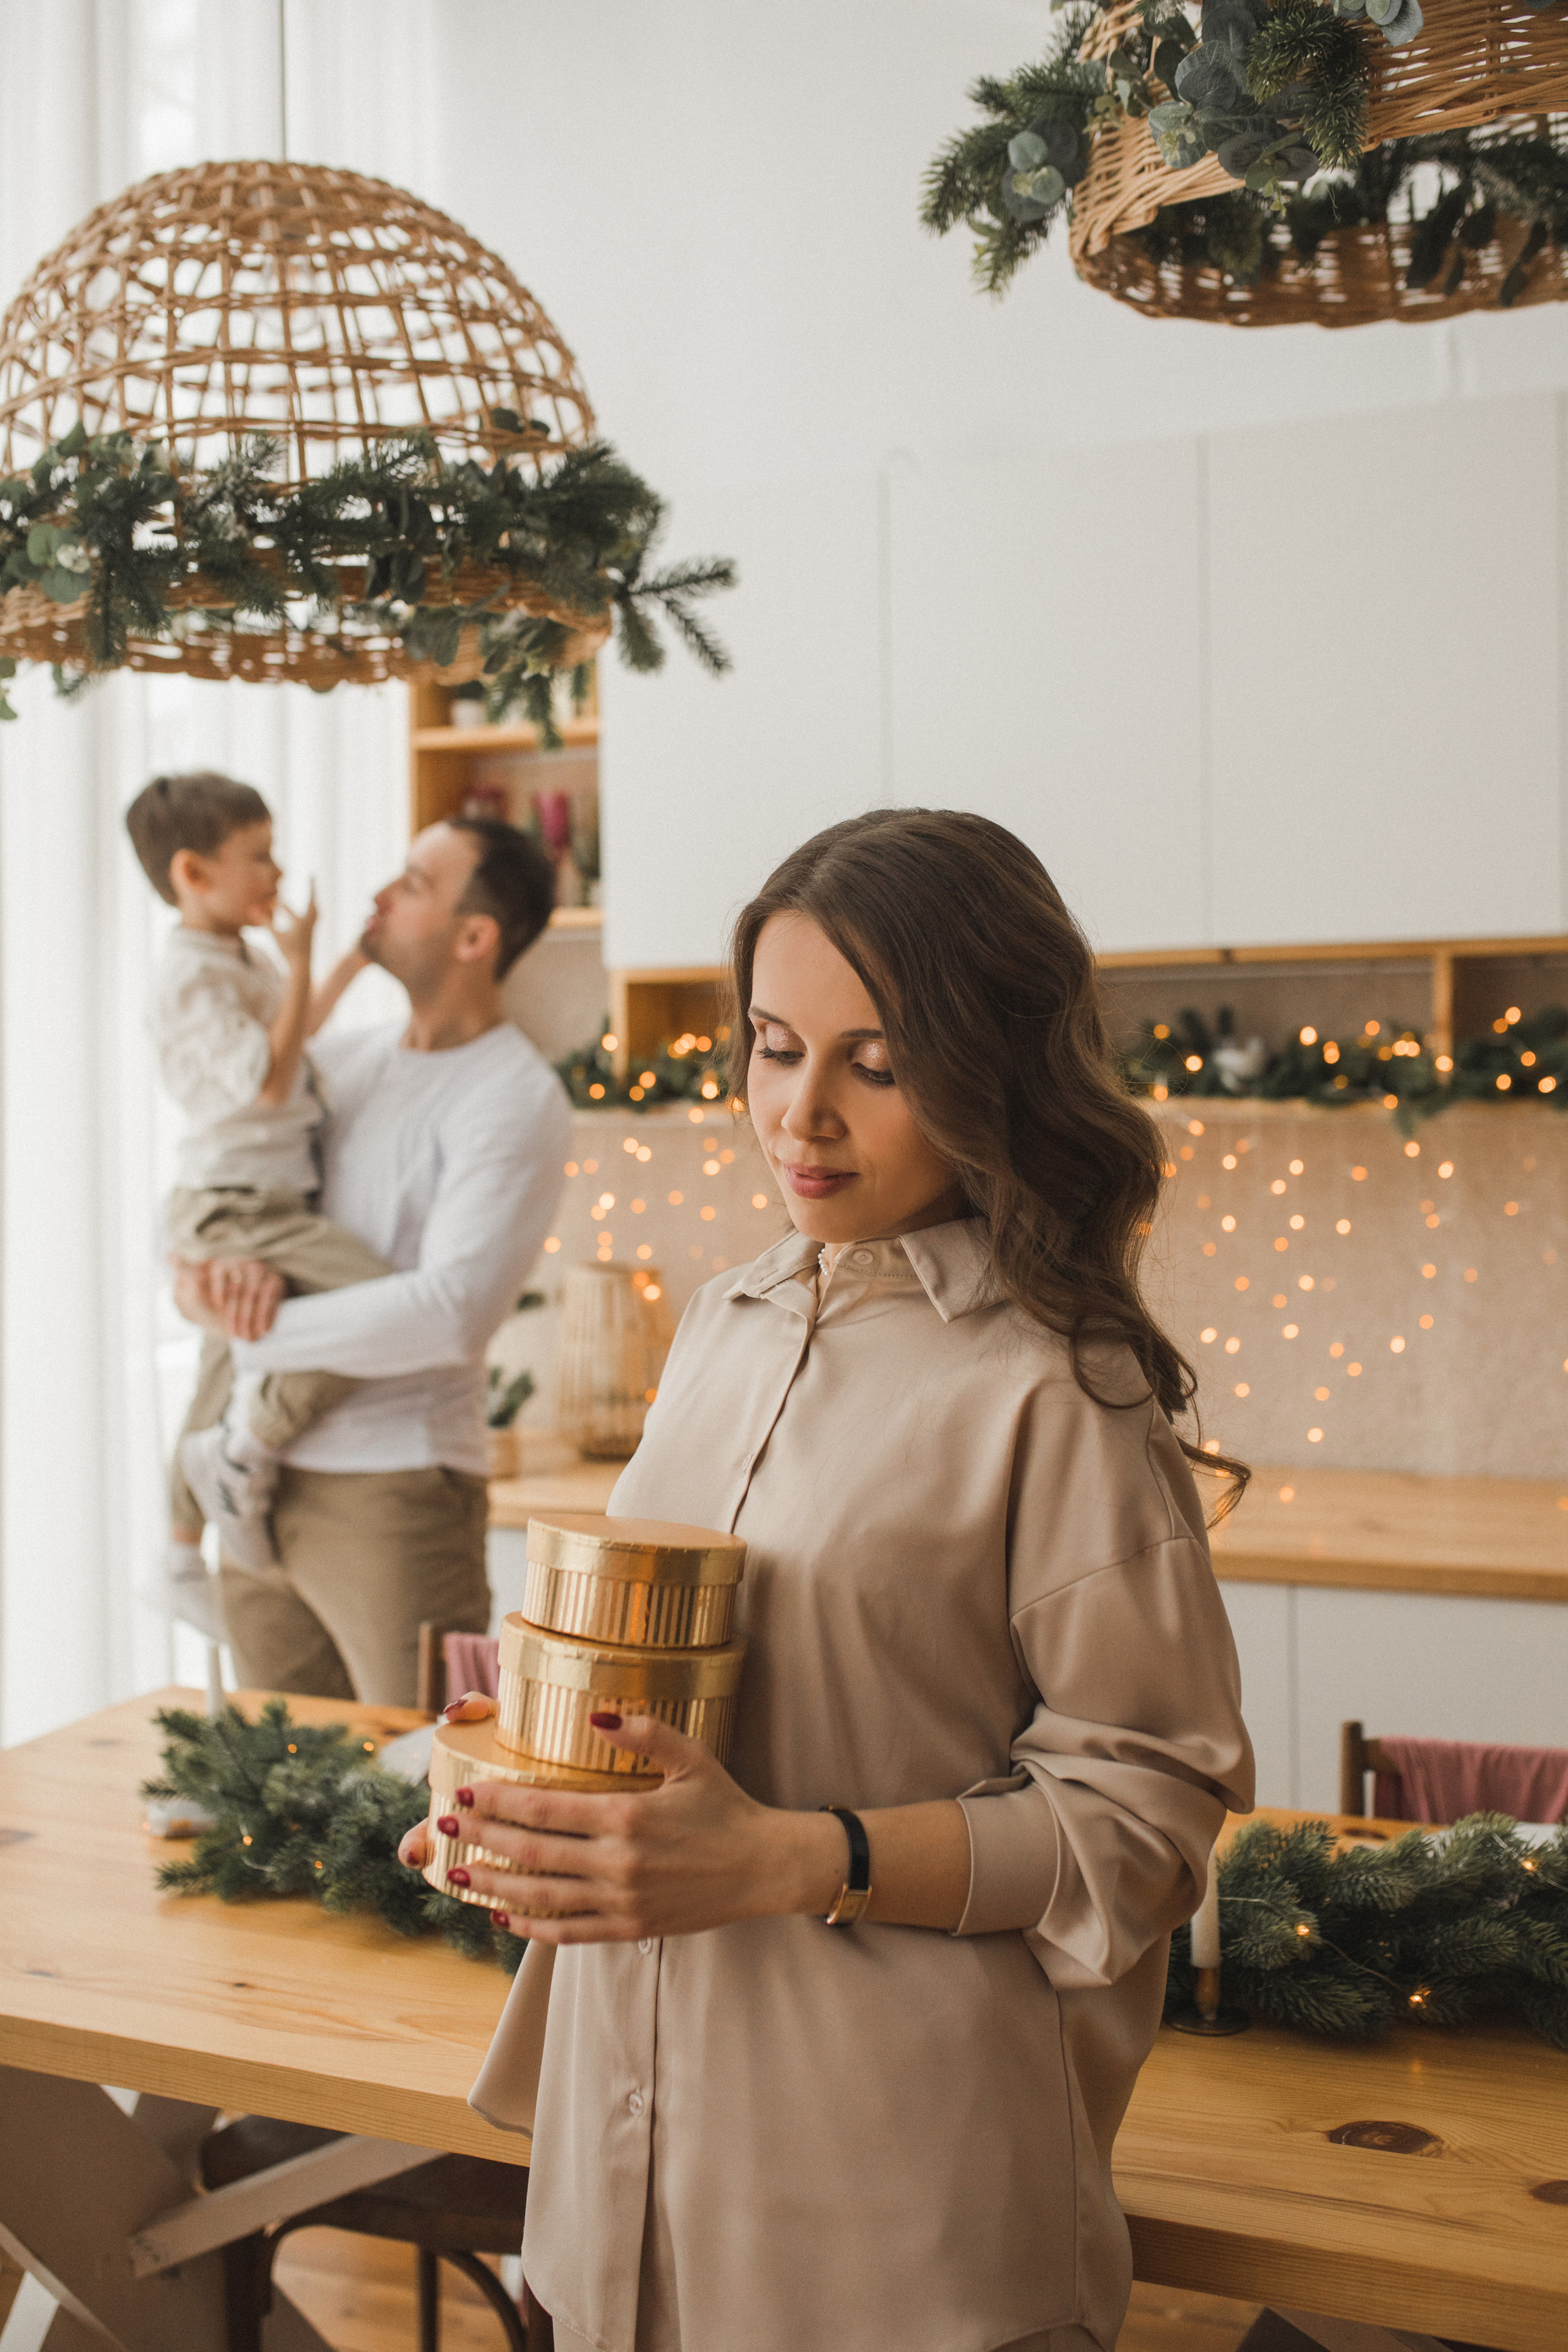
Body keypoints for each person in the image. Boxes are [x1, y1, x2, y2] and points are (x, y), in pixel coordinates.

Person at [400, 808, 1256, 2352]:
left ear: (989, 1067)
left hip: (886, 2223)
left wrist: (804, 1859)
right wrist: (521, 1804)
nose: (799, 1114)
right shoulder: (725, 1319)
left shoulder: (1062, 1389)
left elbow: (1143, 1819)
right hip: (621, 2174)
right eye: (772, 1046)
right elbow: (663, 1698)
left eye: (873, 1062)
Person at [173, 813, 570, 1707]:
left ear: (475, 938)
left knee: (419, 1790)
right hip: (253, 1490)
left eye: (416, 885)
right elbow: (228, 1189)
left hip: (396, 1495)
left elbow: (450, 1311)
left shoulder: (515, 1097)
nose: (381, 896)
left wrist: (252, 1337)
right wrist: (211, 1281)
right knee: (274, 1805)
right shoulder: (334, 1063)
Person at [127, 771, 391, 1581]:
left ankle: (177, 1554)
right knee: (377, 1299)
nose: (277, 873)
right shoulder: (193, 977)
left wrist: (346, 961)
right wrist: (303, 955)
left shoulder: (233, 954)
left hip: (265, 1197)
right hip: (238, 1206)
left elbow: (295, 1030)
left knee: (223, 1364)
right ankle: (249, 1447)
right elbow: (269, 1081)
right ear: (192, 873)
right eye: (259, 855)